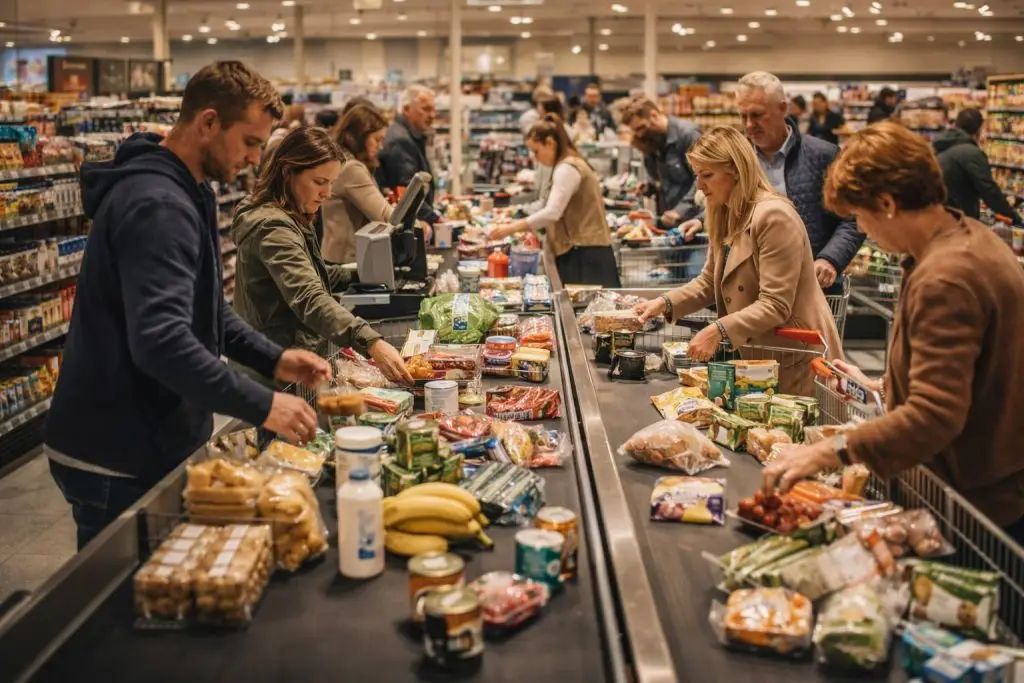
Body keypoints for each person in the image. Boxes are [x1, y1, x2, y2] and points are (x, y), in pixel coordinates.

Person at [45, 62, 330, 550]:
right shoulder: (158, 205)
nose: (257, 158)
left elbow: (204, 308)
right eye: (250, 142)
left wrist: (274, 358)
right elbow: (162, 343)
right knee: (126, 610)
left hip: (142, 435)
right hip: (116, 449)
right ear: (209, 122)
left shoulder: (187, 188)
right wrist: (264, 404)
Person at [761, 121, 1024, 544]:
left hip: (971, 508)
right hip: (990, 487)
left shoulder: (946, 278)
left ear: (886, 203)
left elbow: (935, 414)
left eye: (860, 216)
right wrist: (887, 385)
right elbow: (973, 372)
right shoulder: (970, 236)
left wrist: (832, 450)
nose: (862, 230)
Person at [633, 126, 842, 396]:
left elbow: (776, 304)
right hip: (758, 354)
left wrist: (717, 331)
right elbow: (710, 281)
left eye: (707, 175)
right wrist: (664, 303)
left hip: (796, 354)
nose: (699, 185)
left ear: (736, 171)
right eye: (697, 175)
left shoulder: (774, 217)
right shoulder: (722, 211)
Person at [231, 126, 413, 387]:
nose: (327, 193)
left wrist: (361, 273)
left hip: (285, 362)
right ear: (287, 173)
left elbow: (313, 273)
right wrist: (370, 341)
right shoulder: (274, 228)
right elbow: (308, 296)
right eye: (319, 182)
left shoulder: (291, 215)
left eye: (331, 183)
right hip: (271, 373)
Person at [735, 71, 864, 290]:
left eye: (757, 115)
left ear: (783, 109)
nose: (748, 125)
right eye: (743, 116)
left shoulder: (824, 155)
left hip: (813, 288)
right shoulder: (738, 160)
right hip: (755, 287)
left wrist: (829, 259)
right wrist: (699, 220)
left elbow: (853, 217)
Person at [487, 115, 621, 288]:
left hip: (585, 255)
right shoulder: (569, 164)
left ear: (550, 143)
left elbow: (552, 212)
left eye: (536, 151)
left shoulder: (567, 168)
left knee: (593, 311)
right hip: (583, 252)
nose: (536, 158)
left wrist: (511, 228)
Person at [322, 104, 394, 264]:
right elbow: (385, 216)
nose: (380, 146)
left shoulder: (341, 161)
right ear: (360, 136)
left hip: (335, 256)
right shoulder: (352, 169)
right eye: (377, 139)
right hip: (347, 261)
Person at [621, 95, 702, 235]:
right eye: (636, 131)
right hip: (668, 226)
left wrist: (679, 210)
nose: (640, 135)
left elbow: (702, 179)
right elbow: (660, 181)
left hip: (694, 225)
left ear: (654, 115)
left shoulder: (688, 135)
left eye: (641, 127)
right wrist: (648, 186)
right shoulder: (652, 141)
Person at [933, 108, 1022, 224]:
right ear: (979, 129)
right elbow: (990, 191)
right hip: (959, 220)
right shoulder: (971, 153)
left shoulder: (939, 145)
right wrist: (1016, 218)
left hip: (939, 216)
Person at [375, 84, 440, 224]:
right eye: (426, 109)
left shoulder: (408, 135)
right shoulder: (400, 140)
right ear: (406, 109)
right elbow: (408, 192)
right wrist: (435, 219)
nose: (432, 115)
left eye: (434, 109)